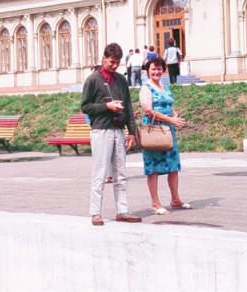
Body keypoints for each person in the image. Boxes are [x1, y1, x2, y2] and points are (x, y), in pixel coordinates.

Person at [81, 43, 141, 226]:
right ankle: (95, 213)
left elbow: (129, 107)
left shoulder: (121, 80)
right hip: (101, 131)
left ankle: (122, 210)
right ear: (103, 59)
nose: (115, 66)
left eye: (117, 63)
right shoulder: (93, 80)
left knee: (121, 174)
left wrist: (131, 132)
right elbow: (85, 107)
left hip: (118, 131)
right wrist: (106, 106)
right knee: (99, 173)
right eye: (112, 62)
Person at [139, 55, 191, 215]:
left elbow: (170, 105)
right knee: (153, 168)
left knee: (173, 166)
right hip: (153, 130)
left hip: (168, 131)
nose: (156, 72)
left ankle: (175, 199)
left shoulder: (165, 86)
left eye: (159, 69)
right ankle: (155, 203)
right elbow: (148, 110)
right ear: (148, 71)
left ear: (163, 70)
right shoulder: (146, 88)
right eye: (153, 69)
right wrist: (170, 119)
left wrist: (176, 118)